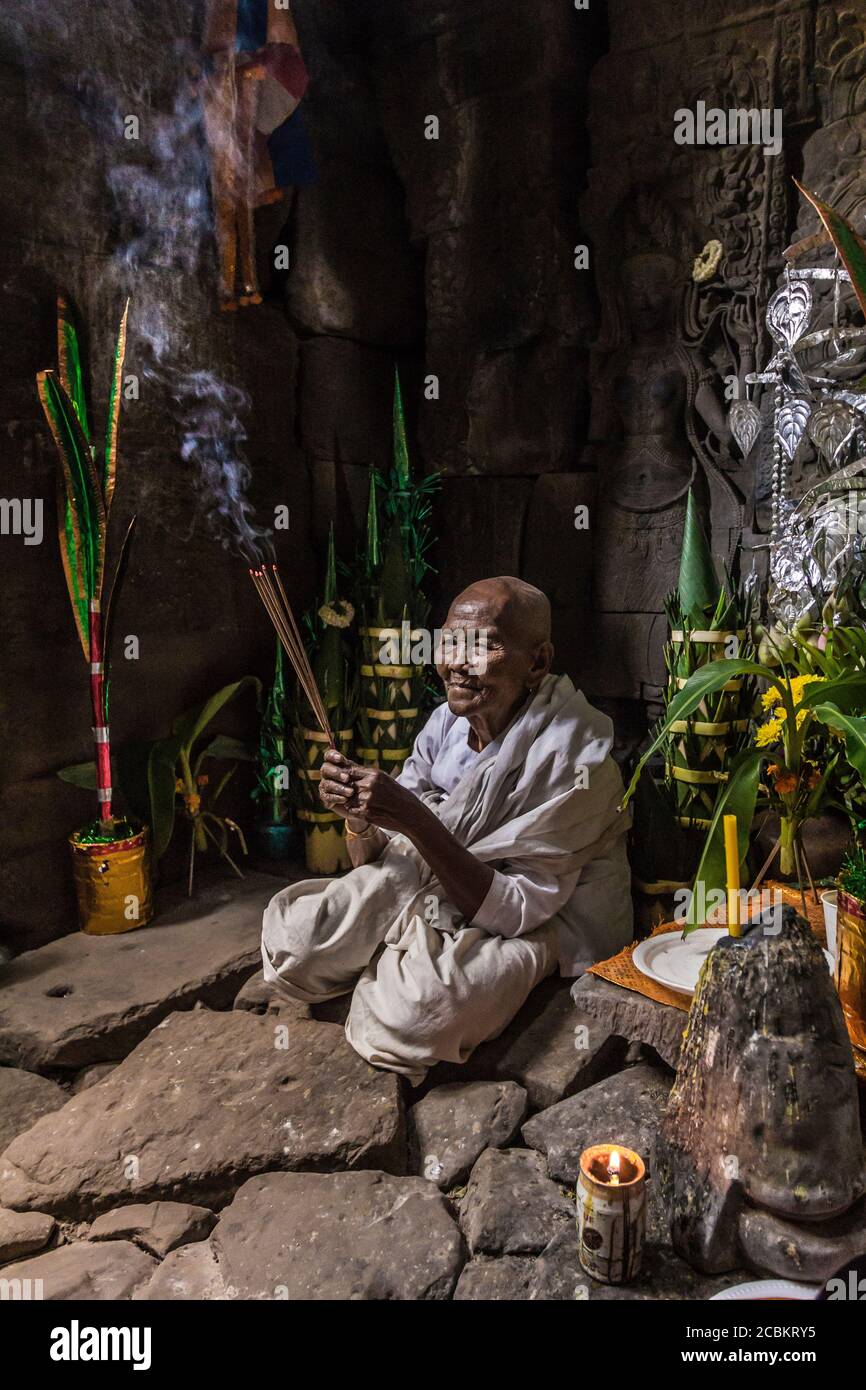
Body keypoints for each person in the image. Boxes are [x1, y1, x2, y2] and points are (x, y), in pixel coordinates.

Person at [261, 576, 633, 1085]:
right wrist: (358, 815)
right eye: (450, 642)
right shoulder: (447, 724)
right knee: (298, 945)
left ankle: (406, 956)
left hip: (540, 915)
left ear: (538, 662)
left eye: (482, 645)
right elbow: (382, 853)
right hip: (437, 876)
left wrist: (412, 816)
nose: (458, 661)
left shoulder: (575, 759)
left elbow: (513, 911)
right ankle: (401, 948)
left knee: (414, 1016)